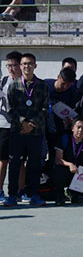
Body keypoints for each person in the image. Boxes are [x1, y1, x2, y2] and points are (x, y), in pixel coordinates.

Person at [3, 53, 49, 207]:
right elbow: (10, 108)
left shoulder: (42, 85)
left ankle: (33, 195)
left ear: (35, 65)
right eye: (24, 64)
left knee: (34, 165)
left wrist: (31, 124)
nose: (27, 66)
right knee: (14, 164)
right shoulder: (13, 85)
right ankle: (12, 195)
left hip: (36, 132)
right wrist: (23, 123)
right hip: (18, 132)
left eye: (30, 63)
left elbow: (45, 108)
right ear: (20, 66)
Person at [53, 117, 83, 205]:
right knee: (59, 170)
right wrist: (69, 164)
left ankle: (73, 193)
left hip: (78, 173)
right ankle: (60, 195)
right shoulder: (64, 138)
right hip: (65, 170)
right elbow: (58, 160)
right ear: (72, 128)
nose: (80, 130)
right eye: (78, 127)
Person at [0, 51, 22, 203]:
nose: (11, 69)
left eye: (14, 65)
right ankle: (0, 190)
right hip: (4, 126)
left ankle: (20, 191)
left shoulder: (26, 83)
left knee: (20, 161)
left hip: (20, 127)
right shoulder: (3, 81)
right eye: (8, 66)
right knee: (3, 160)